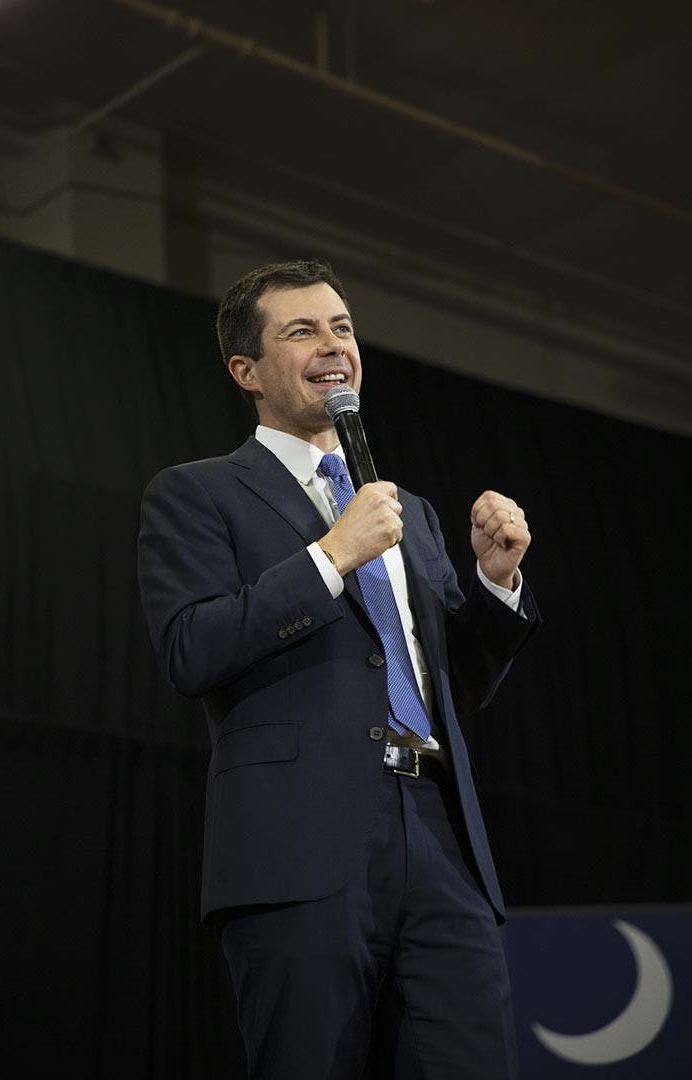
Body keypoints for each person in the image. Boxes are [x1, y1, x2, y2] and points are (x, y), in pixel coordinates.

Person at [138, 259, 539, 1079]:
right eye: (303, 330)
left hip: (438, 836)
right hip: (301, 843)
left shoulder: (408, 513)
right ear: (244, 371)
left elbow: (447, 690)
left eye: (344, 328)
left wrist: (496, 585)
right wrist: (330, 556)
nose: (333, 345)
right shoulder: (198, 494)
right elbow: (189, 648)